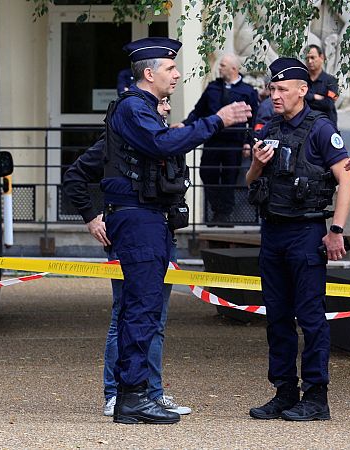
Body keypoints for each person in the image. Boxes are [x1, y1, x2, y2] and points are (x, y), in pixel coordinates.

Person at [101, 37, 251, 424]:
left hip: (148, 217)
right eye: (170, 68)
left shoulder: (143, 107)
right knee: (141, 307)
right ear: (148, 74)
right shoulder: (135, 108)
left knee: (146, 308)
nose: (177, 73)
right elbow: (161, 143)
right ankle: (132, 397)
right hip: (137, 217)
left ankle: (134, 395)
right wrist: (216, 120)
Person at [63, 97, 192, 418]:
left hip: (161, 234)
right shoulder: (117, 143)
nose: (164, 109)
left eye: (167, 104)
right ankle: (116, 392)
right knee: (126, 313)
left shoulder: (162, 142)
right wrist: (93, 218)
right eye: (160, 103)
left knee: (154, 318)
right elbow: (74, 177)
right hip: (131, 237)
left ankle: (151, 392)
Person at [246, 57, 350, 422]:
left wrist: (335, 230)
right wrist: (258, 164)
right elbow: (250, 182)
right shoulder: (269, 127)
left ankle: (316, 396)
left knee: (310, 317)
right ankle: (284, 392)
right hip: (273, 232)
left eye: (281, 90)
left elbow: (347, 179)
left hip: (306, 233)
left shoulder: (320, 129)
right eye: (271, 89)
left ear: (302, 90)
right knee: (277, 317)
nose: (274, 95)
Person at [180, 53, 258, 226]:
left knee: (229, 177)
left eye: (223, 65)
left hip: (234, 143)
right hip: (213, 139)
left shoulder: (247, 91)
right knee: (207, 173)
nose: (219, 68)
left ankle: (224, 215)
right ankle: (216, 210)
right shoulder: (212, 88)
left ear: (234, 69)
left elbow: (254, 120)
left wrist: (249, 142)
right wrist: (185, 125)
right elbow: (198, 111)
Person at [304, 44, 339, 125]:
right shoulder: (302, 81)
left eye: (312, 57)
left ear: (321, 58)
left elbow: (329, 104)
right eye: (307, 58)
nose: (309, 61)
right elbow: (297, 100)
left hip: (326, 124)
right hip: (305, 125)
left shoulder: (331, 81)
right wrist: (314, 96)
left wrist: (307, 97)